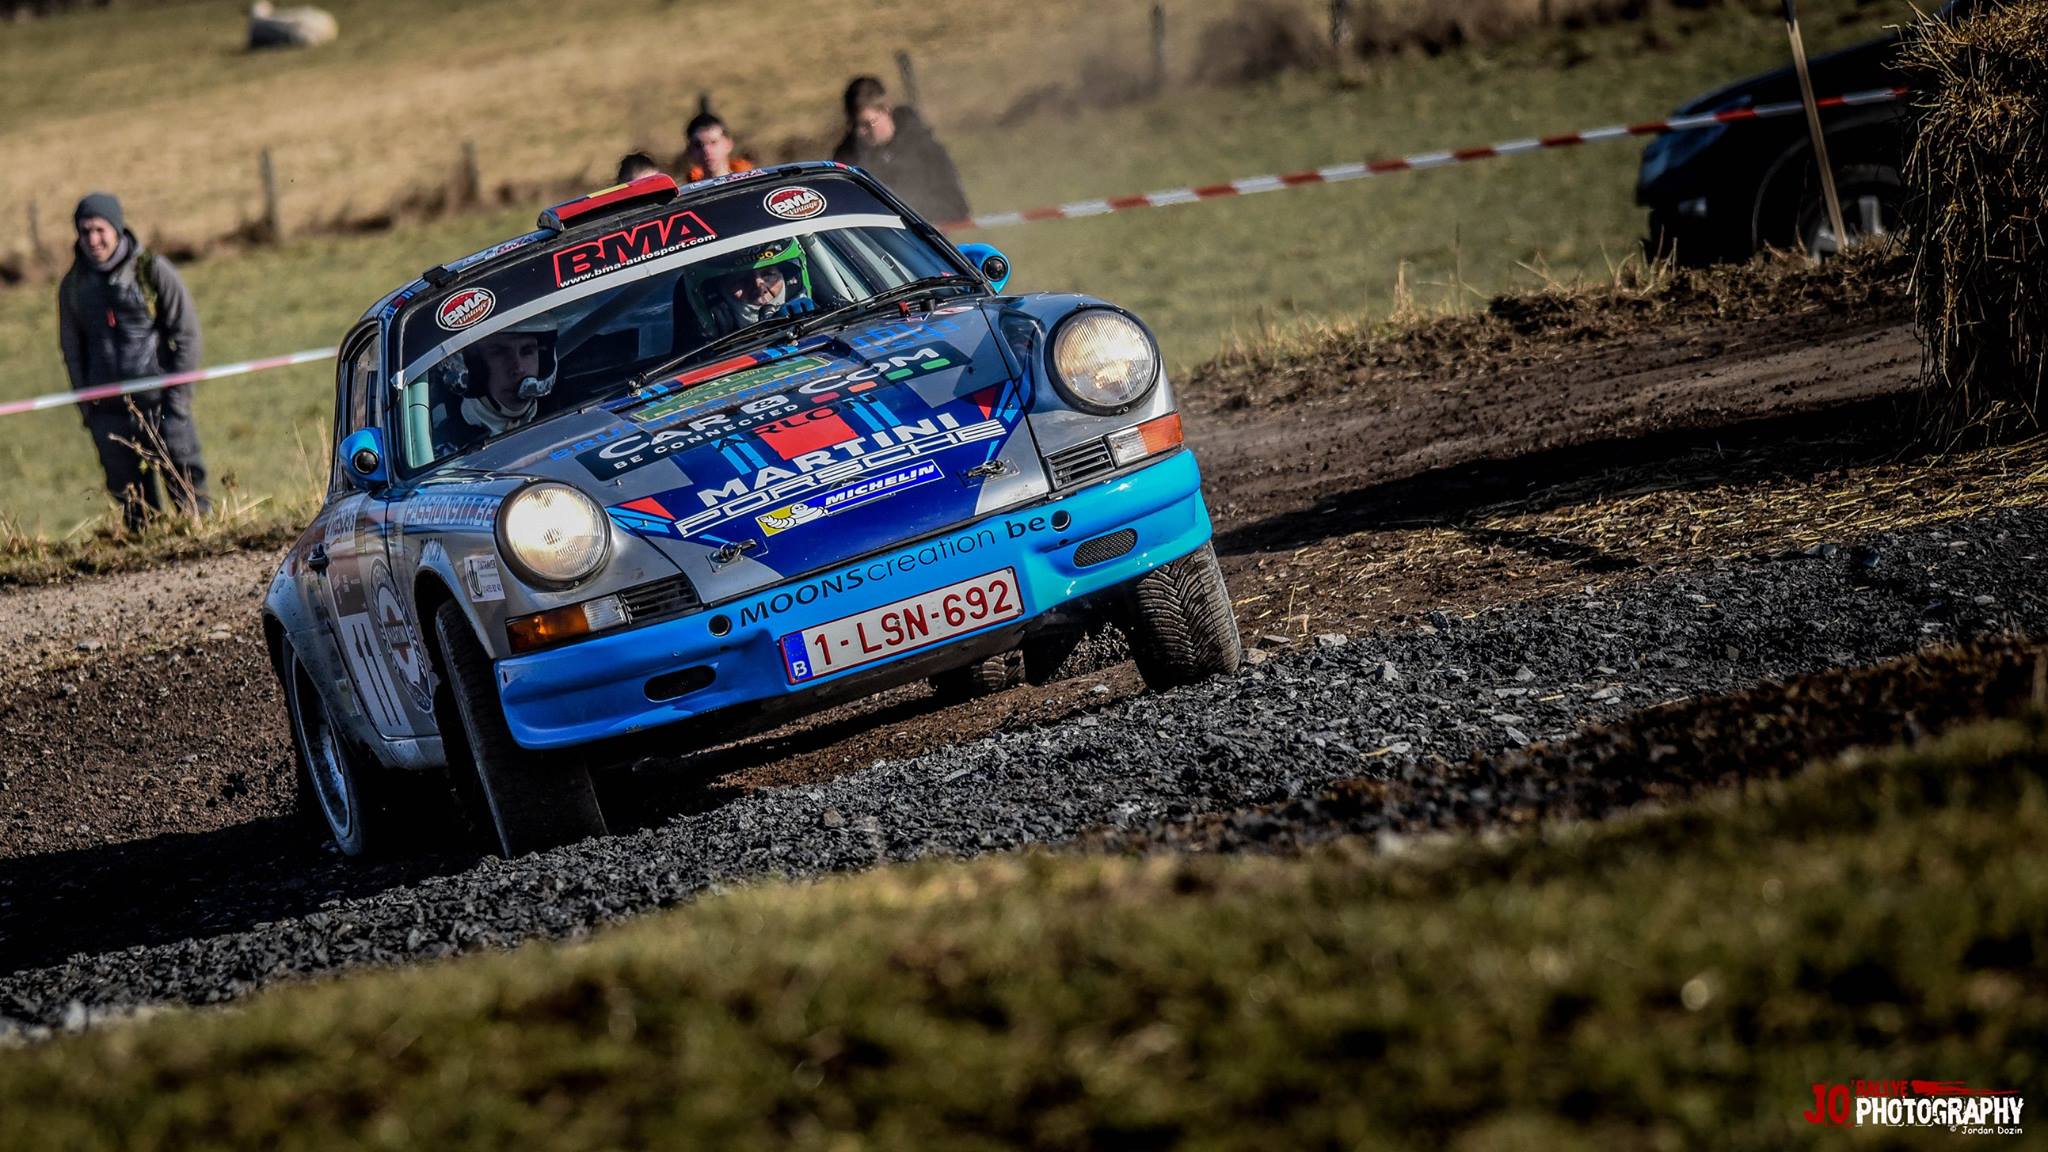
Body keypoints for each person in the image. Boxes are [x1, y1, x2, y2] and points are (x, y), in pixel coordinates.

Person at [57, 192, 212, 529]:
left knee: (188, 491)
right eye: (85, 232)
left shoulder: (152, 270)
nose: (93, 240)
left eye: (100, 230)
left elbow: (187, 336)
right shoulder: (73, 287)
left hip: (162, 405)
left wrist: (178, 402)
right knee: (135, 509)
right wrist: (89, 412)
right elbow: (71, 352)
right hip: (110, 416)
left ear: (116, 228)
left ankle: (202, 544)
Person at [831, 77, 970, 223]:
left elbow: (957, 205)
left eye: (867, 123)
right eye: (854, 125)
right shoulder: (847, 160)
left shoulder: (923, 145)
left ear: (886, 110)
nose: (860, 132)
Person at [428, 316, 557, 456]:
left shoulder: (572, 410)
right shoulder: (443, 452)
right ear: (473, 367)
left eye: (527, 351)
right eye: (499, 353)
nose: (518, 368)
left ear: (543, 360)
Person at [701, 240, 816, 336]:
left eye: (769, 275)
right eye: (741, 280)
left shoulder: (827, 319)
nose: (759, 288)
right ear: (717, 294)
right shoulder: (693, 352)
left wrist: (814, 320)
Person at [680, 112, 755, 183]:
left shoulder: (750, 184)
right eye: (698, 145)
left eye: (713, 142)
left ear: (728, 144)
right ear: (689, 151)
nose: (706, 150)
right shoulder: (689, 194)